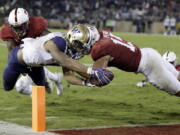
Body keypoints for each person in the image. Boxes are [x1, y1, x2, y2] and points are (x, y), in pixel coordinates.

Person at [66, 24, 180, 97]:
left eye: (79, 44)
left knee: (177, 90)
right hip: (148, 53)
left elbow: (97, 76)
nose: (78, 48)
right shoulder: (100, 34)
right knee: (177, 76)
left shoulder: (99, 49)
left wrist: (71, 64)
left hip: (150, 65)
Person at [3, 32, 112, 92]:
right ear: (74, 41)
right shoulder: (58, 42)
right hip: (17, 60)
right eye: (82, 44)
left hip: (36, 66)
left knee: (42, 87)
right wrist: (93, 71)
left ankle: (53, 79)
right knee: (8, 87)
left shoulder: (69, 51)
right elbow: (65, 62)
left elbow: (69, 76)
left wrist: (87, 83)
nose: (85, 48)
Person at [0, 8, 63, 95]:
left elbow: (52, 39)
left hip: (37, 54)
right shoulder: (8, 34)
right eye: (16, 28)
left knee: (36, 82)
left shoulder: (36, 26)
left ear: (28, 22)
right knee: (12, 83)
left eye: (21, 27)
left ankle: (50, 81)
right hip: (23, 57)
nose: (19, 31)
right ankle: (54, 79)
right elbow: (12, 53)